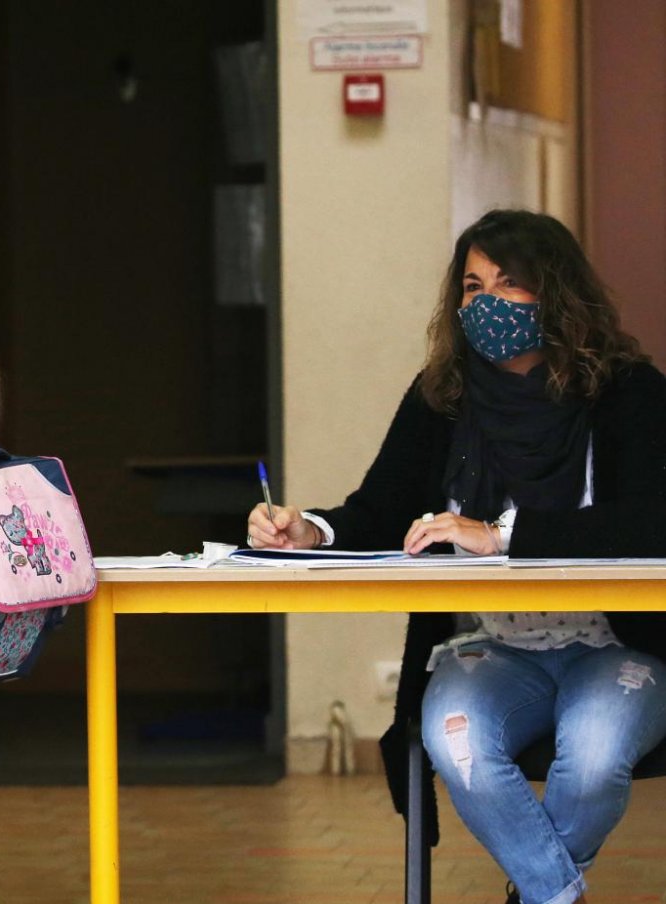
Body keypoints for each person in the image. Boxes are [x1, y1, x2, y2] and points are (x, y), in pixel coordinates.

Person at [246, 209, 666, 904]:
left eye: (509, 282)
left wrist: (501, 535)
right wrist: (310, 529)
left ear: (556, 292)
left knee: (593, 761)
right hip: (495, 647)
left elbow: (650, 526)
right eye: (472, 287)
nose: (487, 302)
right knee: (457, 745)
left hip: (618, 644)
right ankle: (551, 894)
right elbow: (380, 512)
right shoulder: (443, 396)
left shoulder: (631, 394)